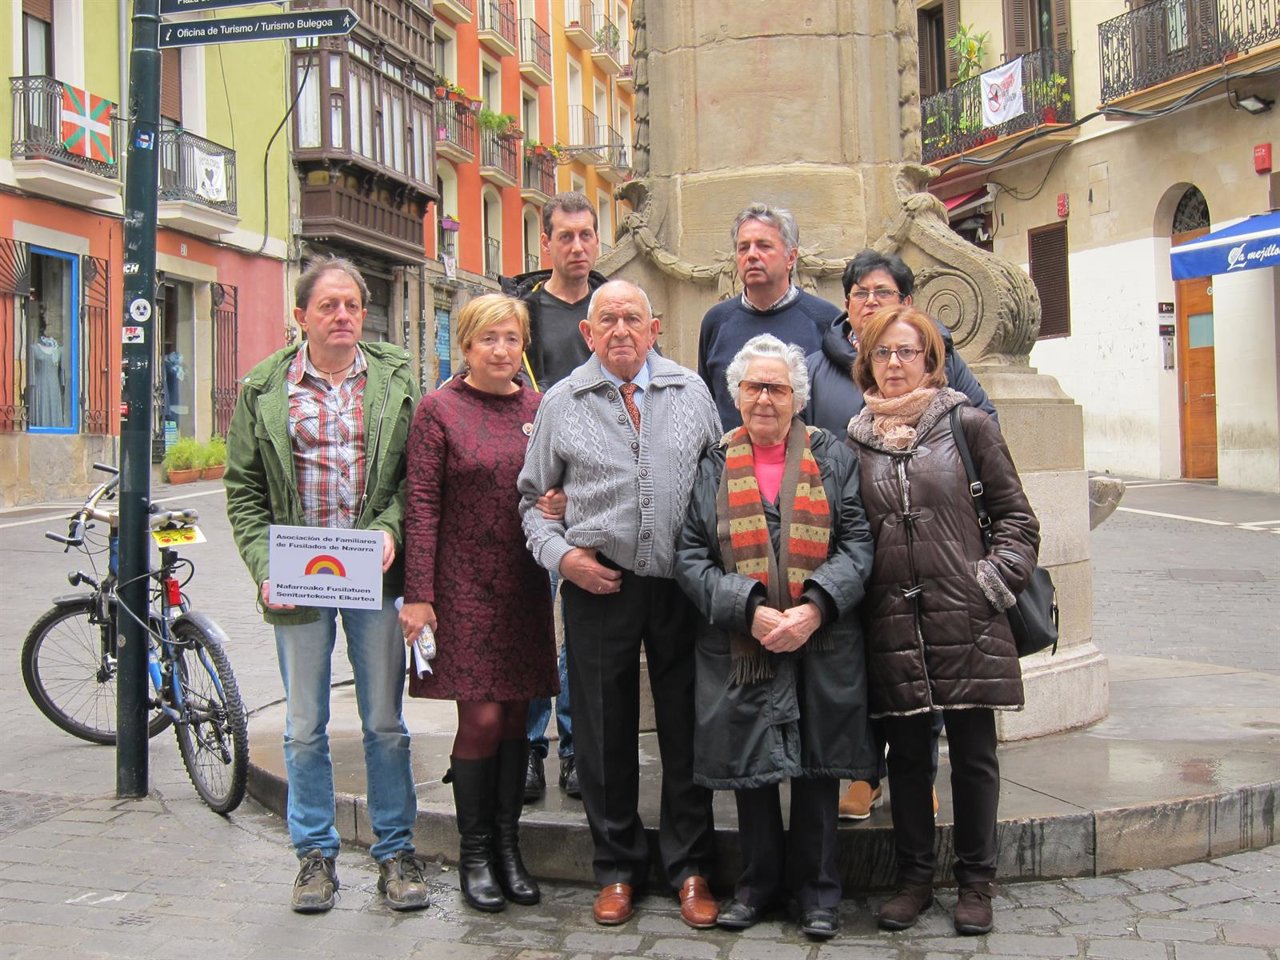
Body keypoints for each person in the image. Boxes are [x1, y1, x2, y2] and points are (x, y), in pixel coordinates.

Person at [224, 257, 426, 914]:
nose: (343, 316)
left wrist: (392, 527)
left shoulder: (395, 379)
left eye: (352, 306)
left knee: (385, 722)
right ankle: (314, 856)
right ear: (301, 316)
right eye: (328, 306)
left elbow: (413, 476)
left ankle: (395, 852)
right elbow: (244, 491)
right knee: (305, 725)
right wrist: (264, 569)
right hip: (299, 575)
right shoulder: (264, 388)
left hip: (373, 574)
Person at [517, 279, 721, 929]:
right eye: (607, 320)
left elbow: (721, 481)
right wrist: (563, 558)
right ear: (588, 332)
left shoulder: (692, 392)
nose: (621, 330)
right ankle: (616, 868)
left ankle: (690, 867)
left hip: (681, 584)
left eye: (633, 318)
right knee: (602, 731)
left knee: (687, 727)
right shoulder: (562, 402)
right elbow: (532, 502)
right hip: (598, 582)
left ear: (654, 328)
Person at [845, 304, 1040, 937]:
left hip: (967, 617)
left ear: (931, 360)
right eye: (882, 353)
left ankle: (977, 882)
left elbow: (1017, 519)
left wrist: (990, 582)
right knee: (906, 758)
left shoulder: (968, 425)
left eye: (907, 351)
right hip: (891, 623)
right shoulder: (852, 441)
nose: (894, 363)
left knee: (974, 755)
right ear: (867, 363)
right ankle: (914, 880)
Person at [674, 334, 876, 940]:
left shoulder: (832, 457)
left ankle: (818, 893)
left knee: (817, 770)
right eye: (754, 387)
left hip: (820, 640)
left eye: (777, 388)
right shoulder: (714, 462)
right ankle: (756, 886)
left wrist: (815, 607)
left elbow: (858, 544)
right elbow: (690, 555)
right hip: (744, 645)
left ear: (797, 398)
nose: (765, 398)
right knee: (752, 770)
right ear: (737, 395)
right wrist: (749, 608)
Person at [806, 249, 998, 821]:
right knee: (869, 672)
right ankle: (865, 775)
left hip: (936, 553)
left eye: (882, 292)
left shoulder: (942, 360)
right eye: (860, 293)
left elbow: (982, 429)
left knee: (931, 679)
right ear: (846, 304)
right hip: (864, 546)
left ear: (907, 304)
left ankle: (921, 781)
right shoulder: (818, 365)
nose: (870, 302)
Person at [399, 294, 559, 913]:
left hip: (523, 582)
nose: (501, 350)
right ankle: (474, 853)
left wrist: (560, 502)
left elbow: (558, 481)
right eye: (489, 338)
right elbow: (421, 505)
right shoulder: (438, 410)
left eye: (511, 338)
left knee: (517, 717)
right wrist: (420, 595)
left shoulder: (538, 409)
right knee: (484, 720)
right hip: (462, 585)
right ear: (465, 345)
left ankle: (509, 849)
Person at [502, 191, 608, 803]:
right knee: (535, 629)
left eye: (586, 234)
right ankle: (530, 748)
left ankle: (575, 748)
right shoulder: (522, 313)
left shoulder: (614, 308)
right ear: (545, 244)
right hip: (539, 497)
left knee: (582, 637)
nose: (577, 246)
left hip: (597, 499)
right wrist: (546, 487)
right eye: (564, 236)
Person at [698, 203, 841, 429]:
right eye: (743, 248)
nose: (752, 255)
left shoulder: (825, 321)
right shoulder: (716, 322)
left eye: (764, 246)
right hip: (730, 451)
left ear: (791, 257)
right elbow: (706, 408)